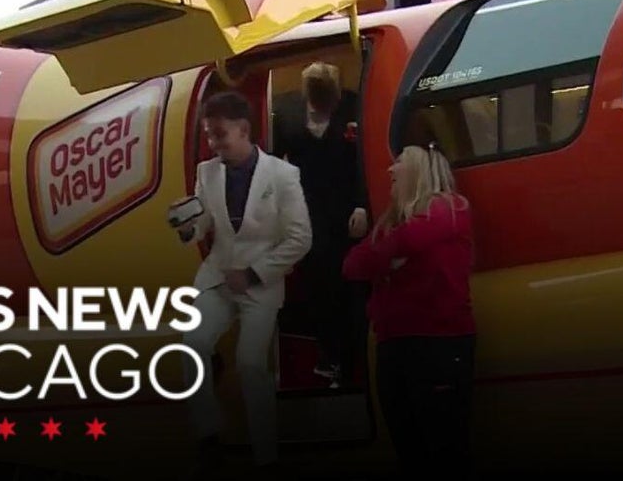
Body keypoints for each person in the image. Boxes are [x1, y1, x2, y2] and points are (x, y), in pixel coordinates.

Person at [174, 90, 312, 473]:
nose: (213, 143)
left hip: (261, 281)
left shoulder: (283, 176)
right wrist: (189, 227)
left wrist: (253, 274)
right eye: (208, 135)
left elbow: (300, 239)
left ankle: (266, 457)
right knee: (192, 345)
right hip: (218, 275)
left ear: (244, 130)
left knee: (250, 363)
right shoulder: (207, 171)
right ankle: (209, 436)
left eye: (219, 134)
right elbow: (205, 225)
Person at [341, 142, 477, 478]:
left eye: (398, 162)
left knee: (444, 448)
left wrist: (385, 254)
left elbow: (404, 243)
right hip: (394, 344)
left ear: (418, 168)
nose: (389, 170)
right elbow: (352, 265)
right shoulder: (393, 220)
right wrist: (388, 257)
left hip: (438, 343)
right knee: (409, 449)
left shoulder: (450, 208)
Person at [271, 61, 369, 387]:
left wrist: (362, 204)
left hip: (347, 210)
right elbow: (274, 163)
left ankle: (355, 359)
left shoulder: (355, 105)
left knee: (352, 284)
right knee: (318, 287)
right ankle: (330, 358)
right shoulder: (284, 113)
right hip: (308, 212)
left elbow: (363, 160)